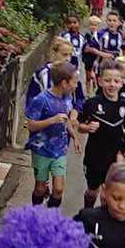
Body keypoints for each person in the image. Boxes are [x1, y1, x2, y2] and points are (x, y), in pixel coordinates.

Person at [77, 62, 125, 211]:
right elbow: (79, 126)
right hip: (94, 156)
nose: (112, 85)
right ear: (100, 81)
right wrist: (87, 128)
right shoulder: (92, 103)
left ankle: (102, 223)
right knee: (92, 192)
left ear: (121, 83)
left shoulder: (123, 104)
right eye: (107, 80)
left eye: (116, 81)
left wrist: (123, 156)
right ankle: (87, 214)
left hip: (114, 157)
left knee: (107, 195)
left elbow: (124, 129)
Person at [25, 60, 80, 207]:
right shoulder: (41, 100)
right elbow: (31, 126)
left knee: (59, 189)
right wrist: (52, 120)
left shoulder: (68, 99)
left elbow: (66, 119)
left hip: (60, 150)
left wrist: (74, 137)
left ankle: (50, 218)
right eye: (74, 82)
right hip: (41, 150)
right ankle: (36, 214)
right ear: (64, 83)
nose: (76, 86)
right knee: (40, 188)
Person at [24, 36, 86, 112]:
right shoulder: (42, 74)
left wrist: (76, 110)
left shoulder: (73, 73)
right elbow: (31, 98)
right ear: (54, 53)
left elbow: (80, 97)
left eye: (70, 55)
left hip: (67, 119)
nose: (68, 59)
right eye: (64, 54)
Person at [87, 9, 125, 75]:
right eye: (109, 20)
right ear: (106, 21)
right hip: (101, 64)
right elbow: (89, 48)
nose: (112, 23)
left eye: (114, 21)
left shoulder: (121, 35)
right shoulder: (100, 33)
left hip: (115, 65)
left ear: (119, 22)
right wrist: (102, 54)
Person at [60, 15, 91, 93]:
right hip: (65, 64)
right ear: (66, 25)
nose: (72, 25)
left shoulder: (82, 38)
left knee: (74, 84)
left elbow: (85, 52)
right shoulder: (63, 36)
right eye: (70, 23)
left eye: (75, 22)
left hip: (77, 66)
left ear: (79, 24)